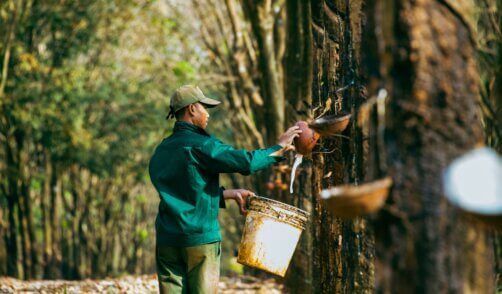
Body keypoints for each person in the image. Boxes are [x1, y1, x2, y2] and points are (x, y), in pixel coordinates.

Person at [148, 85, 302, 293]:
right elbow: (245, 163)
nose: (207, 114)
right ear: (192, 109)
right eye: (204, 107)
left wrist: (226, 195)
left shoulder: (161, 150)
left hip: (167, 240)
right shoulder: (202, 145)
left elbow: (184, 190)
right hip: (200, 239)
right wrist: (277, 149)